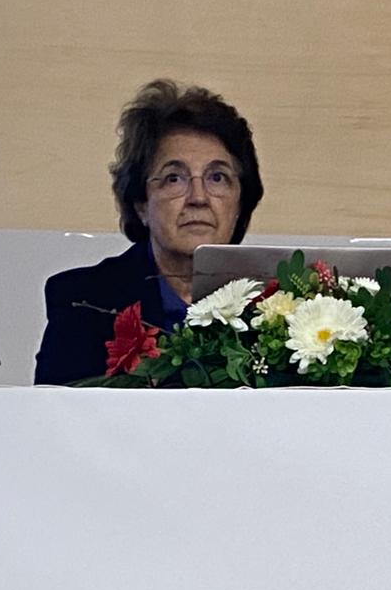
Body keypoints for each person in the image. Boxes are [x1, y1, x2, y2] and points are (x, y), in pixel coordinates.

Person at [34, 80, 264, 384]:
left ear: (240, 202)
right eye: (174, 178)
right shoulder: (85, 302)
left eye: (217, 177)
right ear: (141, 203)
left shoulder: (276, 309)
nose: (198, 197)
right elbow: (55, 412)